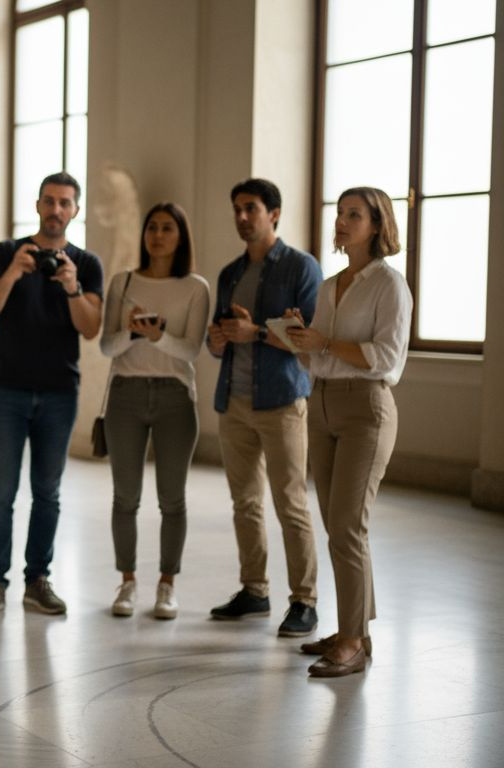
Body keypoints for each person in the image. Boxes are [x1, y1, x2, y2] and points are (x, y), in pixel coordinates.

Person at [283, 186, 410, 677]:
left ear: (377, 225)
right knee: (340, 528)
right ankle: (354, 629)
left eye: (353, 215)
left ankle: (353, 640)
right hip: (322, 403)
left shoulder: (389, 285)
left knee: (348, 528)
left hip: (367, 409)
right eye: (339, 214)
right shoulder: (330, 285)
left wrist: (327, 342)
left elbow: (387, 358)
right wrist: (297, 338)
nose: (341, 222)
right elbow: (318, 357)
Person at [0, 172, 104, 619]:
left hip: (58, 393)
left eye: (65, 203)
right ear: (37, 205)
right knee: (0, 493)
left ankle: (37, 580)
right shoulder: (7, 252)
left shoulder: (86, 264)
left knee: (47, 492)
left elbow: (90, 328)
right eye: (49, 201)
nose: (55, 210)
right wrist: (12, 273)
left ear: (75, 211)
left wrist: (70, 286)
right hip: (5, 389)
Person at [205, 178, 323, 638]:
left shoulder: (300, 267)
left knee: (290, 502)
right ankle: (254, 590)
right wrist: (217, 340)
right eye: (236, 208)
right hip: (233, 401)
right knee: (244, 502)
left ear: (274, 213)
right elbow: (220, 340)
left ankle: (304, 600)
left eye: (250, 208)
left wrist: (253, 333)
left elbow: (308, 340)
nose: (241, 216)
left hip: (281, 401)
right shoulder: (230, 273)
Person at [98, 203, 210, 619]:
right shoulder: (122, 282)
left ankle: (167, 585)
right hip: (125, 395)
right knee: (125, 496)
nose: (157, 235)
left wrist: (158, 335)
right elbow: (107, 347)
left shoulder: (196, 287)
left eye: (167, 228)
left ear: (181, 236)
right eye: (152, 227)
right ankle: (127, 582)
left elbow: (191, 350)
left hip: (175, 398)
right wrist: (131, 331)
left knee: (172, 498)